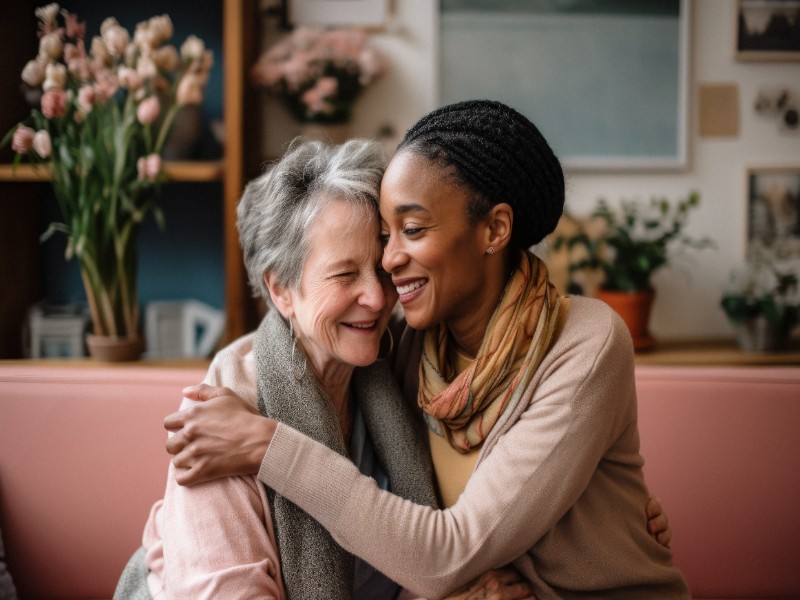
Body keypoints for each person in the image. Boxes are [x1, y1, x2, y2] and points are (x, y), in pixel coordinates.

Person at [165, 99, 688, 599]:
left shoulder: (577, 343)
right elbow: (199, 526)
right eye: (384, 238)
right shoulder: (406, 348)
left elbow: (446, 555)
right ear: (278, 289)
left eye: (408, 231)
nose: (387, 271)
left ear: (495, 229)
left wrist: (267, 446)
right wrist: (173, 535)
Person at [114, 138, 538, 600]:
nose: (377, 299)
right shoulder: (221, 417)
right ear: (281, 290)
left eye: (380, 270)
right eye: (344, 275)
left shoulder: (396, 373)